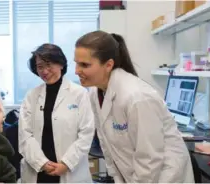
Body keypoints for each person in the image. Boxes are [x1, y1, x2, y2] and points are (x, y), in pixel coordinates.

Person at [74, 30, 194, 183]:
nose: (77, 71)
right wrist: (117, 177)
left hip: (164, 176)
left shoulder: (137, 97)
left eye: (84, 65)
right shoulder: (95, 93)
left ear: (108, 65)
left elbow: (149, 159)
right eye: (76, 63)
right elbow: (106, 144)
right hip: (132, 175)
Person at [19, 43, 95, 183]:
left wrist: (66, 164)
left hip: (70, 171)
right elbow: (25, 136)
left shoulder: (79, 94)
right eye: (40, 66)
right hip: (39, 170)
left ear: (60, 64)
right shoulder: (31, 96)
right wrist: (42, 163)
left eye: (49, 65)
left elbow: (86, 134)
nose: (45, 71)